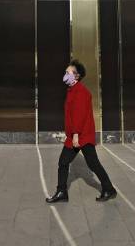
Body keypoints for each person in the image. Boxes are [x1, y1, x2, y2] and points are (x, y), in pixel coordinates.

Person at [46, 60, 116, 203]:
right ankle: (62, 192)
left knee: (93, 164)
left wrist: (76, 135)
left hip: (81, 135)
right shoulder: (72, 90)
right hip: (75, 135)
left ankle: (109, 189)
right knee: (64, 162)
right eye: (65, 72)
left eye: (68, 73)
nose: (65, 75)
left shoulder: (81, 92)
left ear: (76, 76)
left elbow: (79, 115)